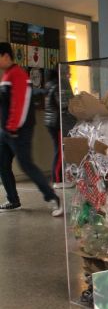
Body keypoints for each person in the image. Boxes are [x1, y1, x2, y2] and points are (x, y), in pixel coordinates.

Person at [0, 42, 63, 215]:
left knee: (26, 165)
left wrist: (12, 128)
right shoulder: (7, 76)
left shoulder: (18, 74)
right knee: (3, 165)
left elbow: (21, 103)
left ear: (5, 56)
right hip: (6, 131)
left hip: (18, 131)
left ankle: (53, 198)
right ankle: (13, 200)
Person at [43, 69, 63, 188]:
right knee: (59, 151)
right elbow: (61, 103)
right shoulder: (56, 86)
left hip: (50, 122)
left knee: (57, 150)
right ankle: (57, 179)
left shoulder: (47, 86)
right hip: (56, 123)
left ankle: (57, 178)